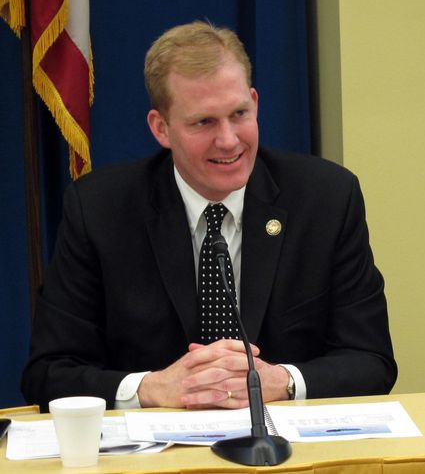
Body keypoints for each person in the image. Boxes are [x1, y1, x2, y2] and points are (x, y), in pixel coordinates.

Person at [22, 21, 396, 411]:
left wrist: (281, 380)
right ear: (161, 128)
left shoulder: (326, 199)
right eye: (204, 122)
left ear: (255, 101)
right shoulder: (100, 209)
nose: (229, 140)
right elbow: (48, 371)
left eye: (239, 113)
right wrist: (151, 388)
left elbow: (372, 361)